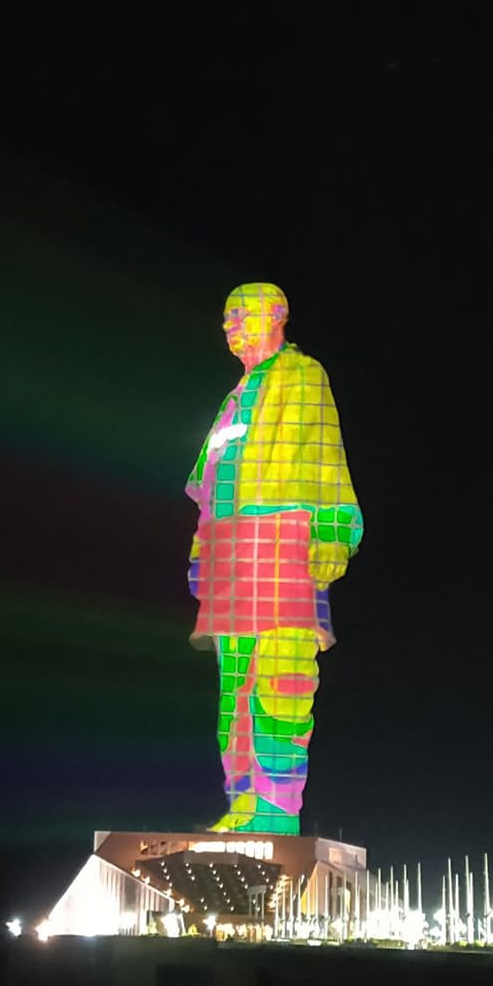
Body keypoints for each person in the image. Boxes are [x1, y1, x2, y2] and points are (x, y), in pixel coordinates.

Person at [186, 283, 363, 834]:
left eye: (240, 314)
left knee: (281, 677)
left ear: (277, 315)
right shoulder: (233, 397)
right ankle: (243, 804)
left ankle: (276, 810)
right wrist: (201, 547)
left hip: (283, 540)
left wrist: (333, 528)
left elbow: (325, 452)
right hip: (230, 553)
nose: (229, 325)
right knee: (233, 683)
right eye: (225, 316)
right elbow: (208, 481)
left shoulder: (303, 376)